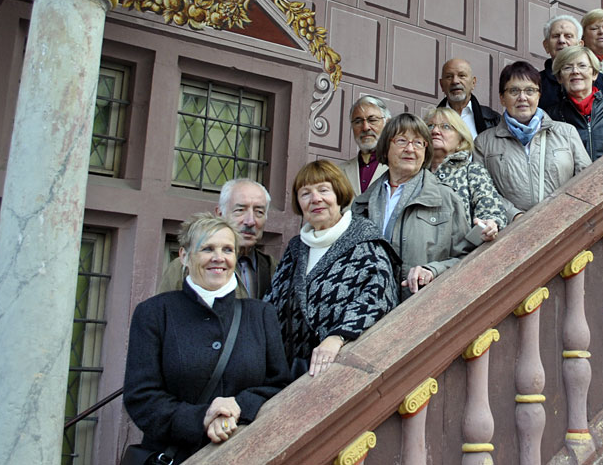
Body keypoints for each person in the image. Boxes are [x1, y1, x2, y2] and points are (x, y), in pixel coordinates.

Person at [124, 214, 291, 464]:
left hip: (249, 455)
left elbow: (279, 385)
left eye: (227, 249)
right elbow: (141, 396)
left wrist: (236, 408)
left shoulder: (261, 314)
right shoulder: (154, 313)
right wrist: (202, 417)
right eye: (207, 249)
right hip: (176, 456)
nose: (219, 258)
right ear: (184, 256)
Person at [265, 161, 398, 380]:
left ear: (339, 195)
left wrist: (338, 337)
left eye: (324, 190)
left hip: (340, 371)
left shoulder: (365, 242)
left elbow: (377, 298)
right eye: (305, 193)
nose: (315, 199)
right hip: (287, 374)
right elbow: (272, 303)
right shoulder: (296, 248)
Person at [351, 113, 475, 298]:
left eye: (418, 143)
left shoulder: (446, 198)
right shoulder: (362, 203)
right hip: (370, 309)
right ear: (385, 148)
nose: (410, 149)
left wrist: (433, 270)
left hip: (422, 307)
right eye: (402, 141)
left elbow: (468, 259)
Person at [475, 62, 590, 212]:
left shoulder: (566, 133)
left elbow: (587, 180)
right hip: (512, 229)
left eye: (530, 90)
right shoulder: (484, 142)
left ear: (538, 96)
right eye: (514, 91)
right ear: (502, 98)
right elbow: (481, 190)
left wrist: (562, 211)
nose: (522, 97)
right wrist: (514, 215)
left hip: (562, 223)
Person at [157, 179, 274, 300]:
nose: (250, 221)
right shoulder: (185, 266)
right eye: (240, 210)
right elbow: (162, 313)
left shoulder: (274, 268)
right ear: (219, 214)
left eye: (259, 212)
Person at [425, 106, 517, 238]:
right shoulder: (415, 173)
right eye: (429, 126)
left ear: (460, 140)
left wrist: (490, 224)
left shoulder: (472, 171)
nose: (435, 131)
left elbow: (492, 211)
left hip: (459, 256)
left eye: (445, 126)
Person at [544, 45, 603, 161]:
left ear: (594, 74)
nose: (575, 71)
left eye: (582, 66)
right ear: (559, 78)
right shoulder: (552, 117)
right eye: (567, 68)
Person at [538, 15, 603, 109]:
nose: (561, 40)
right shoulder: (537, 82)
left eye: (568, 36)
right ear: (546, 46)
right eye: (556, 36)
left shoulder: (599, 79)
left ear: (580, 45)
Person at [436, 58, 500, 138]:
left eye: (462, 76)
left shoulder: (494, 120)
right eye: (449, 77)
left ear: (473, 83)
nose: (455, 81)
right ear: (441, 85)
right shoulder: (429, 123)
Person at [339, 94, 390, 194]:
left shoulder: (399, 168)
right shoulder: (339, 171)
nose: (365, 127)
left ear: (387, 123)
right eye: (358, 122)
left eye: (372, 120)